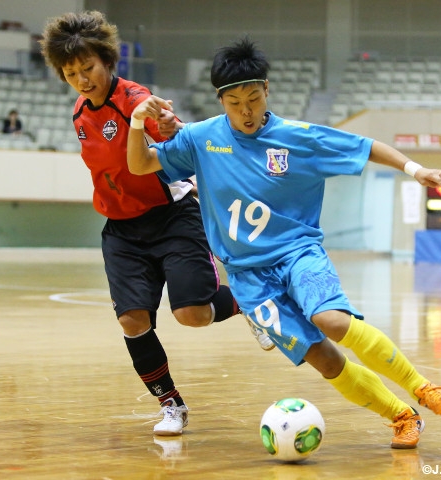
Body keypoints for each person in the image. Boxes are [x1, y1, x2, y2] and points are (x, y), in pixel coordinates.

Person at [127, 37, 441, 449]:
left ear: (267, 90)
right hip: (250, 278)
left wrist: (415, 169)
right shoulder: (200, 138)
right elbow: (140, 163)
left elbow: (365, 147)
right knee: (323, 358)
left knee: (333, 322)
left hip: (297, 253)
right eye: (234, 103)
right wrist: (137, 124)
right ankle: (401, 416)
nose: (246, 111)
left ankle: (424, 388)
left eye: (253, 98)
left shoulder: (298, 137)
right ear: (220, 100)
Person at [39, 11, 273, 437]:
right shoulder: (79, 113)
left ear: (108, 61)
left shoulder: (133, 98)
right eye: (71, 72)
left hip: (171, 216)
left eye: (88, 67)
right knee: (131, 321)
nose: (82, 79)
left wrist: (168, 125)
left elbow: (171, 131)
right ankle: (171, 405)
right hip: (121, 230)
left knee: (192, 315)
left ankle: (245, 301)